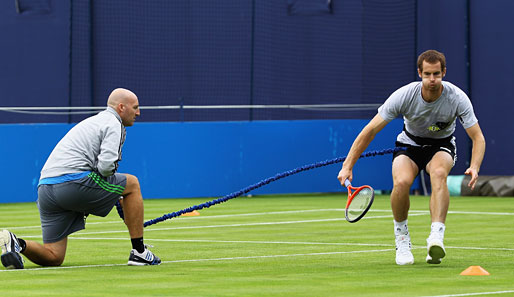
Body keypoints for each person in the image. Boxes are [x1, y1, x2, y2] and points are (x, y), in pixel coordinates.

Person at [337, 50, 486, 265]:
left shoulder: (457, 98)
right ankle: (402, 239)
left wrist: (475, 166)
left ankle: (436, 236)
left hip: (441, 145)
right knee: (402, 182)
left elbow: (477, 137)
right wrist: (347, 166)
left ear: (444, 72)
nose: (432, 80)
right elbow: (370, 130)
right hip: (409, 143)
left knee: (438, 173)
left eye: (436, 74)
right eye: (427, 74)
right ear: (419, 73)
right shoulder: (404, 95)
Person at [0, 88, 161, 269]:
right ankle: (139, 253)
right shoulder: (114, 123)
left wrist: (115, 195)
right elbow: (106, 167)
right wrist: (118, 195)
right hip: (72, 185)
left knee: (54, 256)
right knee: (132, 184)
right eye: (135, 107)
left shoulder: (93, 121)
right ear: (121, 108)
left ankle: (17, 243)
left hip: (45, 189)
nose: (138, 113)